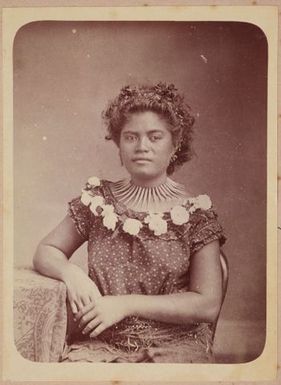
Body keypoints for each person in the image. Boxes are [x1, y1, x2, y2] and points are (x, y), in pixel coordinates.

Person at [33, 82, 226, 363]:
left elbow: (207, 303)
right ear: (119, 145)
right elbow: (46, 250)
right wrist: (71, 274)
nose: (142, 147)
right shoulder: (98, 202)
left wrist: (124, 305)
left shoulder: (195, 214)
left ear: (175, 144)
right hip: (100, 344)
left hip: (174, 347)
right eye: (131, 137)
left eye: (155, 137)